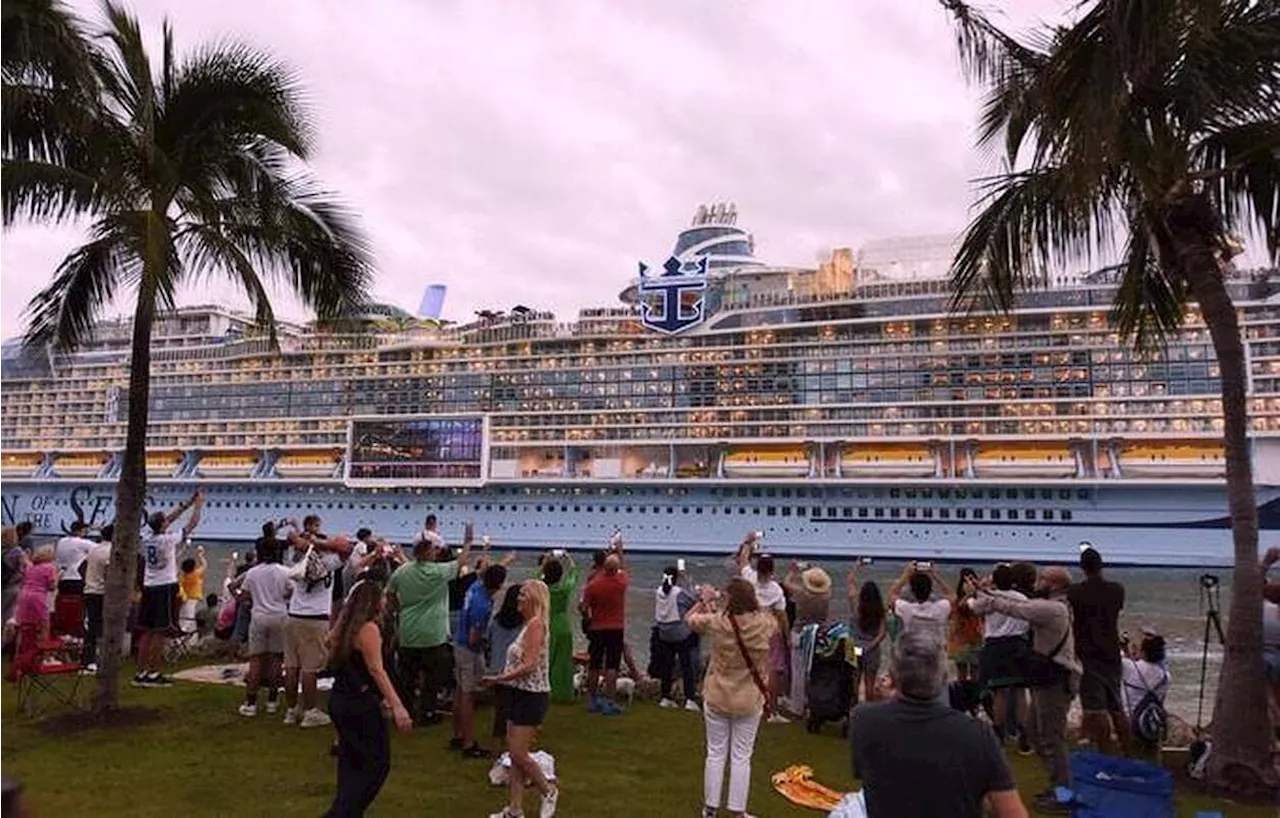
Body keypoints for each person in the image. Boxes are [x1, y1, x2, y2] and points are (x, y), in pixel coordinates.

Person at [849, 630, 1026, 818]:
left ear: (893, 675)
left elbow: (875, 776)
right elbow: (1012, 813)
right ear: (943, 676)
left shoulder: (864, 720)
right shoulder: (976, 734)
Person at [968, 566, 1080, 815]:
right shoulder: (1053, 605)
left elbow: (1015, 608)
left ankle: (1065, 794)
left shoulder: (1052, 609)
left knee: (1052, 738)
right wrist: (986, 592)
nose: (1037, 581)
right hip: (1045, 676)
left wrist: (984, 595)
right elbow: (1013, 602)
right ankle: (1057, 786)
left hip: (1055, 678)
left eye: (1043, 578)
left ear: (1053, 584)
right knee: (1035, 732)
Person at [686, 577, 776, 818]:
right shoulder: (764, 624)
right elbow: (772, 618)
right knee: (741, 756)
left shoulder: (719, 622)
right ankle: (738, 811)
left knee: (715, 752)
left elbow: (690, 621)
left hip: (718, 694)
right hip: (748, 697)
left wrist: (705, 600)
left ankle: (710, 809)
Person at [323, 579, 413, 818]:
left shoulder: (344, 627)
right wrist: (397, 704)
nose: (385, 600)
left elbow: (328, 642)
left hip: (341, 700)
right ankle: (342, 812)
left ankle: (347, 809)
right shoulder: (368, 629)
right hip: (360, 705)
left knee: (350, 761)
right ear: (373, 602)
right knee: (376, 765)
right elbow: (377, 669)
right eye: (382, 596)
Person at [482, 580, 559, 818]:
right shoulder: (527, 625)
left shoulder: (536, 625)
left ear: (534, 599)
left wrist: (500, 678)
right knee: (515, 757)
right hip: (516, 692)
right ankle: (515, 810)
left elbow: (530, 665)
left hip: (531, 695)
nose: (518, 599)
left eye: (523, 595)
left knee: (518, 753)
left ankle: (548, 790)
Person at [388, 520, 472, 726]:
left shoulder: (402, 571)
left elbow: (390, 593)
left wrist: (399, 609)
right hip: (433, 634)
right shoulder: (437, 573)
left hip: (408, 631)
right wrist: (468, 542)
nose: (436, 552)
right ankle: (427, 713)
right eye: (433, 550)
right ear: (427, 552)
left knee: (407, 677)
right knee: (432, 678)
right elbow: (461, 562)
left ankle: (406, 711)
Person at [135, 489, 205, 688]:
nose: (169, 522)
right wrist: (198, 505)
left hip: (148, 586)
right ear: (163, 526)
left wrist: (186, 504)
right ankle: (153, 673)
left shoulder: (146, 536)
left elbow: (167, 520)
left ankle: (140, 672)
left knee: (146, 632)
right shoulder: (167, 540)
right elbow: (191, 525)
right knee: (159, 632)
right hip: (163, 588)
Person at [282, 526, 350, 728]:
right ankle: (310, 711)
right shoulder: (328, 562)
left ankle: (291, 710)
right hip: (315, 618)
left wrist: (306, 541)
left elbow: (291, 540)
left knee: (292, 667)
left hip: (293, 615)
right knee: (310, 668)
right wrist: (319, 542)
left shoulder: (295, 558)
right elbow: (346, 549)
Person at [1068, 545, 1128, 756]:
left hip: (1087, 651)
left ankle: (1105, 750)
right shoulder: (1117, 589)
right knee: (1115, 703)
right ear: (1101, 565)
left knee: (1094, 706)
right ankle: (1127, 746)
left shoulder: (1075, 592)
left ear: (1082, 568)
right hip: (1111, 649)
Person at [230, 537, 291, 716]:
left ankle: (251, 703)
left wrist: (238, 597)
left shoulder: (253, 573)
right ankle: (272, 700)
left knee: (256, 660)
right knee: (276, 660)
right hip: (279, 615)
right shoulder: (285, 572)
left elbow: (242, 592)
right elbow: (292, 592)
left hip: (259, 616)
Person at [453, 563, 507, 757]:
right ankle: (468, 743)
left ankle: (458, 734)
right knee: (468, 694)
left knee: (460, 690)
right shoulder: (482, 606)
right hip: (469, 649)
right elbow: (474, 637)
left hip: (459, 643)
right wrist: (486, 642)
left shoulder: (475, 586)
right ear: (499, 585)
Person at [978, 564, 1033, 754]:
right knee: (1020, 693)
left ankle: (999, 736)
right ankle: (1024, 737)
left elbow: (973, 608)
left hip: (996, 646)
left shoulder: (989, 598)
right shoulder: (1022, 598)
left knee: (999, 693)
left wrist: (976, 590)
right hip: (1018, 644)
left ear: (995, 580)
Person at [734, 539, 789, 722]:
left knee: (748, 667)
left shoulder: (749, 577)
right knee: (772, 671)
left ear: (757, 567)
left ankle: (746, 704)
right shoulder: (776, 590)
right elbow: (782, 616)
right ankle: (771, 710)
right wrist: (787, 638)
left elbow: (742, 559)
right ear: (772, 571)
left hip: (749, 628)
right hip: (770, 632)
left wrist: (748, 541)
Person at [782, 562, 832, 716]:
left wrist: (793, 571)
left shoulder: (801, 594)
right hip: (818, 635)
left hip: (800, 633)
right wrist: (815, 570)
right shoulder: (826, 596)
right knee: (814, 671)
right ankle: (813, 703)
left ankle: (797, 707)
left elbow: (786, 583)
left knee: (798, 672)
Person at [581, 552, 629, 715]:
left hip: (597, 627)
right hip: (616, 627)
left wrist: (587, 617)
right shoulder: (622, 582)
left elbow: (583, 608)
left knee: (594, 665)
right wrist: (619, 551)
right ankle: (610, 701)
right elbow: (622, 568)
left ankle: (592, 700)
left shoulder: (593, 585)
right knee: (612, 665)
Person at [654, 563, 701, 711]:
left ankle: (665, 696)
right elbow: (693, 602)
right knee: (687, 665)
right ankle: (689, 698)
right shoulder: (678, 592)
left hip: (663, 633)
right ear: (676, 578)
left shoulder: (659, 591)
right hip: (680, 634)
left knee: (667, 665)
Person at [487, 582, 525, 752]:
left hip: (497, 668)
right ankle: (514, 743)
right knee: (516, 709)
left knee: (501, 709)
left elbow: (488, 640)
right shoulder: (524, 624)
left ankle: (496, 742)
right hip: (515, 671)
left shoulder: (496, 620)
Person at [1121, 630, 1170, 755]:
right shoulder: (1165, 676)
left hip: (1129, 721)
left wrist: (1124, 647)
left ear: (1143, 652)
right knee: (1152, 756)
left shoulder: (1128, 666)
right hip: (1151, 722)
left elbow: (1119, 659)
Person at [847, 567, 888, 704]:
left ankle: (852, 710)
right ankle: (869, 711)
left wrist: (857, 566)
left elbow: (851, 582)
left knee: (853, 681)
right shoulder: (880, 610)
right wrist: (871, 645)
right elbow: (883, 633)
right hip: (872, 649)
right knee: (869, 683)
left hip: (853, 647)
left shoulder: (856, 605)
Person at [542, 553, 578, 703]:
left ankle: (544, 689)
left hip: (547, 623)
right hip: (563, 624)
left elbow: (536, 576)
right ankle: (563, 692)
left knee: (546, 659)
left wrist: (546, 560)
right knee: (563, 661)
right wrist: (569, 559)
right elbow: (573, 575)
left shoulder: (542, 589)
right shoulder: (564, 589)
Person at [82, 523, 113, 671]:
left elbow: (82, 566)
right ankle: (96, 657)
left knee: (92, 626)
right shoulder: (110, 551)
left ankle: (88, 657)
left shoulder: (94, 549)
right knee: (102, 627)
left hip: (89, 590)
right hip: (101, 592)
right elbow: (109, 572)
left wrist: (88, 580)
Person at [950, 567, 984, 682]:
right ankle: (962, 696)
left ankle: (974, 696)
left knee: (976, 672)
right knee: (962, 672)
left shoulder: (981, 598)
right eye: (965, 582)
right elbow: (959, 608)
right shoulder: (957, 599)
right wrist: (968, 595)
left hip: (976, 637)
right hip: (961, 639)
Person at [178, 547, 208, 631]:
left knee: (183, 616)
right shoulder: (196, 574)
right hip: (192, 598)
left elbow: (179, 586)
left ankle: (182, 631)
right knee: (189, 617)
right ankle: (184, 632)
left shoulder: (182, 576)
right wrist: (200, 555)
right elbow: (205, 565)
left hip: (184, 598)